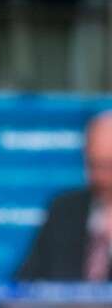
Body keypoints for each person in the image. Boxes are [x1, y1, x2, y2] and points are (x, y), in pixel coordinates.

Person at [18, 111, 112, 281]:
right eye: (93, 165)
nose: (100, 177)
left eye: (108, 166)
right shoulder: (64, 209)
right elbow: (25, 284)